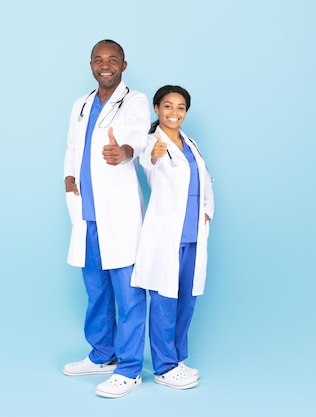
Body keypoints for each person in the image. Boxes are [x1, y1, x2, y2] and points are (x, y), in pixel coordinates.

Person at [62, 39, 150, 398]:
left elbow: (138, 134)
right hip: (87, 213)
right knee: (96, 291)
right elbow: (72, 147)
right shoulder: (81, 104)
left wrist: (125, 150)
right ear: (90, 64)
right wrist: (69, 176)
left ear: (124, 65)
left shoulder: (135, 100)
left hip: (119, 214)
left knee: (127, 294)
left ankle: (130, 369)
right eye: (99, 59)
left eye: (113, 59)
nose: (105, 65)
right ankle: (103, 355)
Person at [131, 85, 214, 390]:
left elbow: (204, 178)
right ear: (156, 108)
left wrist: (206, 210)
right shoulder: (153, 142)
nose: (174, 113)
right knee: (165, 300)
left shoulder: (190, 142)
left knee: (187, 300)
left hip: (193, 232)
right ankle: (164, 367)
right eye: (168, 106)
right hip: (168, 233)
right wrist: (153, 157)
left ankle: (177, 359)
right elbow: (150, 168)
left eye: (180, 107)